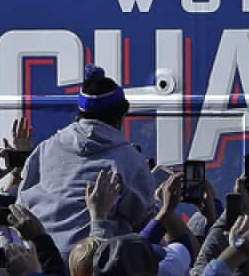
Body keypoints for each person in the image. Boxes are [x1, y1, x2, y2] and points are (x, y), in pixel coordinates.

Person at [17, 66, 155, 256]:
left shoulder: (45, 148)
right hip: (92, 264)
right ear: (122, 116)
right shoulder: (129, 160)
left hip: (39, 260)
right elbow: (144, 221)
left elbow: (22, 205)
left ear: (80, 114)